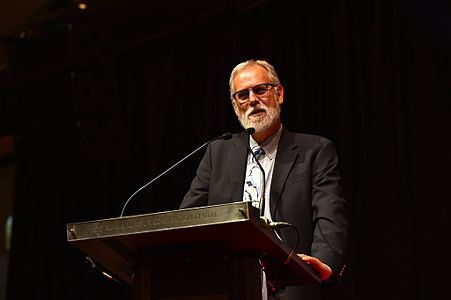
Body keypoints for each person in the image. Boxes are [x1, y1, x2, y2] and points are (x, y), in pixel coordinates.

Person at [180, 59, 348, 300]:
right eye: (242, 95)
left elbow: (330, 214)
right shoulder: (218, 152)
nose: (252, 100)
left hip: (291, 282)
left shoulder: (315, 150)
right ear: (235, 105)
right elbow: (189, 217)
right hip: (228, 283)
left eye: (260, 90)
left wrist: (321, 264)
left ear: (278, 93)